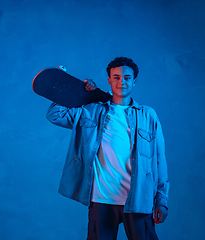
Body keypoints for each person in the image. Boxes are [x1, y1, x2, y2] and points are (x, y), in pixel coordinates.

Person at [46, 57, 169, 240]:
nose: (122, 82)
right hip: (101, 199)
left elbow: (159, 160)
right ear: (109, 80)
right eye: (116, 77)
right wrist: (75, 91)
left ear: (134, 81)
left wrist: (162, 201)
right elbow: (55, 115)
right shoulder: (91, 110)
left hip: (138, 199)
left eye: (127, 77)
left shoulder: (148, 115)